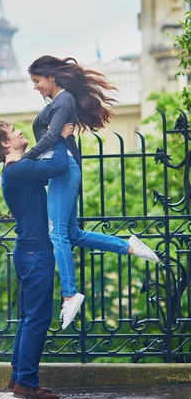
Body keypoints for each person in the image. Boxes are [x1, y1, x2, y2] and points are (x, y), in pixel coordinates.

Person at [23, 55, 160, 331]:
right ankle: (130, 246)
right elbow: (53, 137)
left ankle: (70, 293)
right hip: (60, 170)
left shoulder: (63, 100)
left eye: (37, 81)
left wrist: (24, 160)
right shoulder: (58, 102)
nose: (35, 86)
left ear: (51, 77)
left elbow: (50, 138)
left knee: (56, 233)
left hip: (62, 171)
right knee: (71, 234)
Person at [0, 119, 74, 399]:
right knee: (37, 319)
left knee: (29, 319)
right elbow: (57, 167)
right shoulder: (18, 169)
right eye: (14, 132)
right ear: (6, 144)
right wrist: (58, 137)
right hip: (35, 253)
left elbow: (45, 171)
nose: (21, 132)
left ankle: (19, 377)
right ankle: (26, 383)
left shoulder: (16, 170)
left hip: (29, 252)